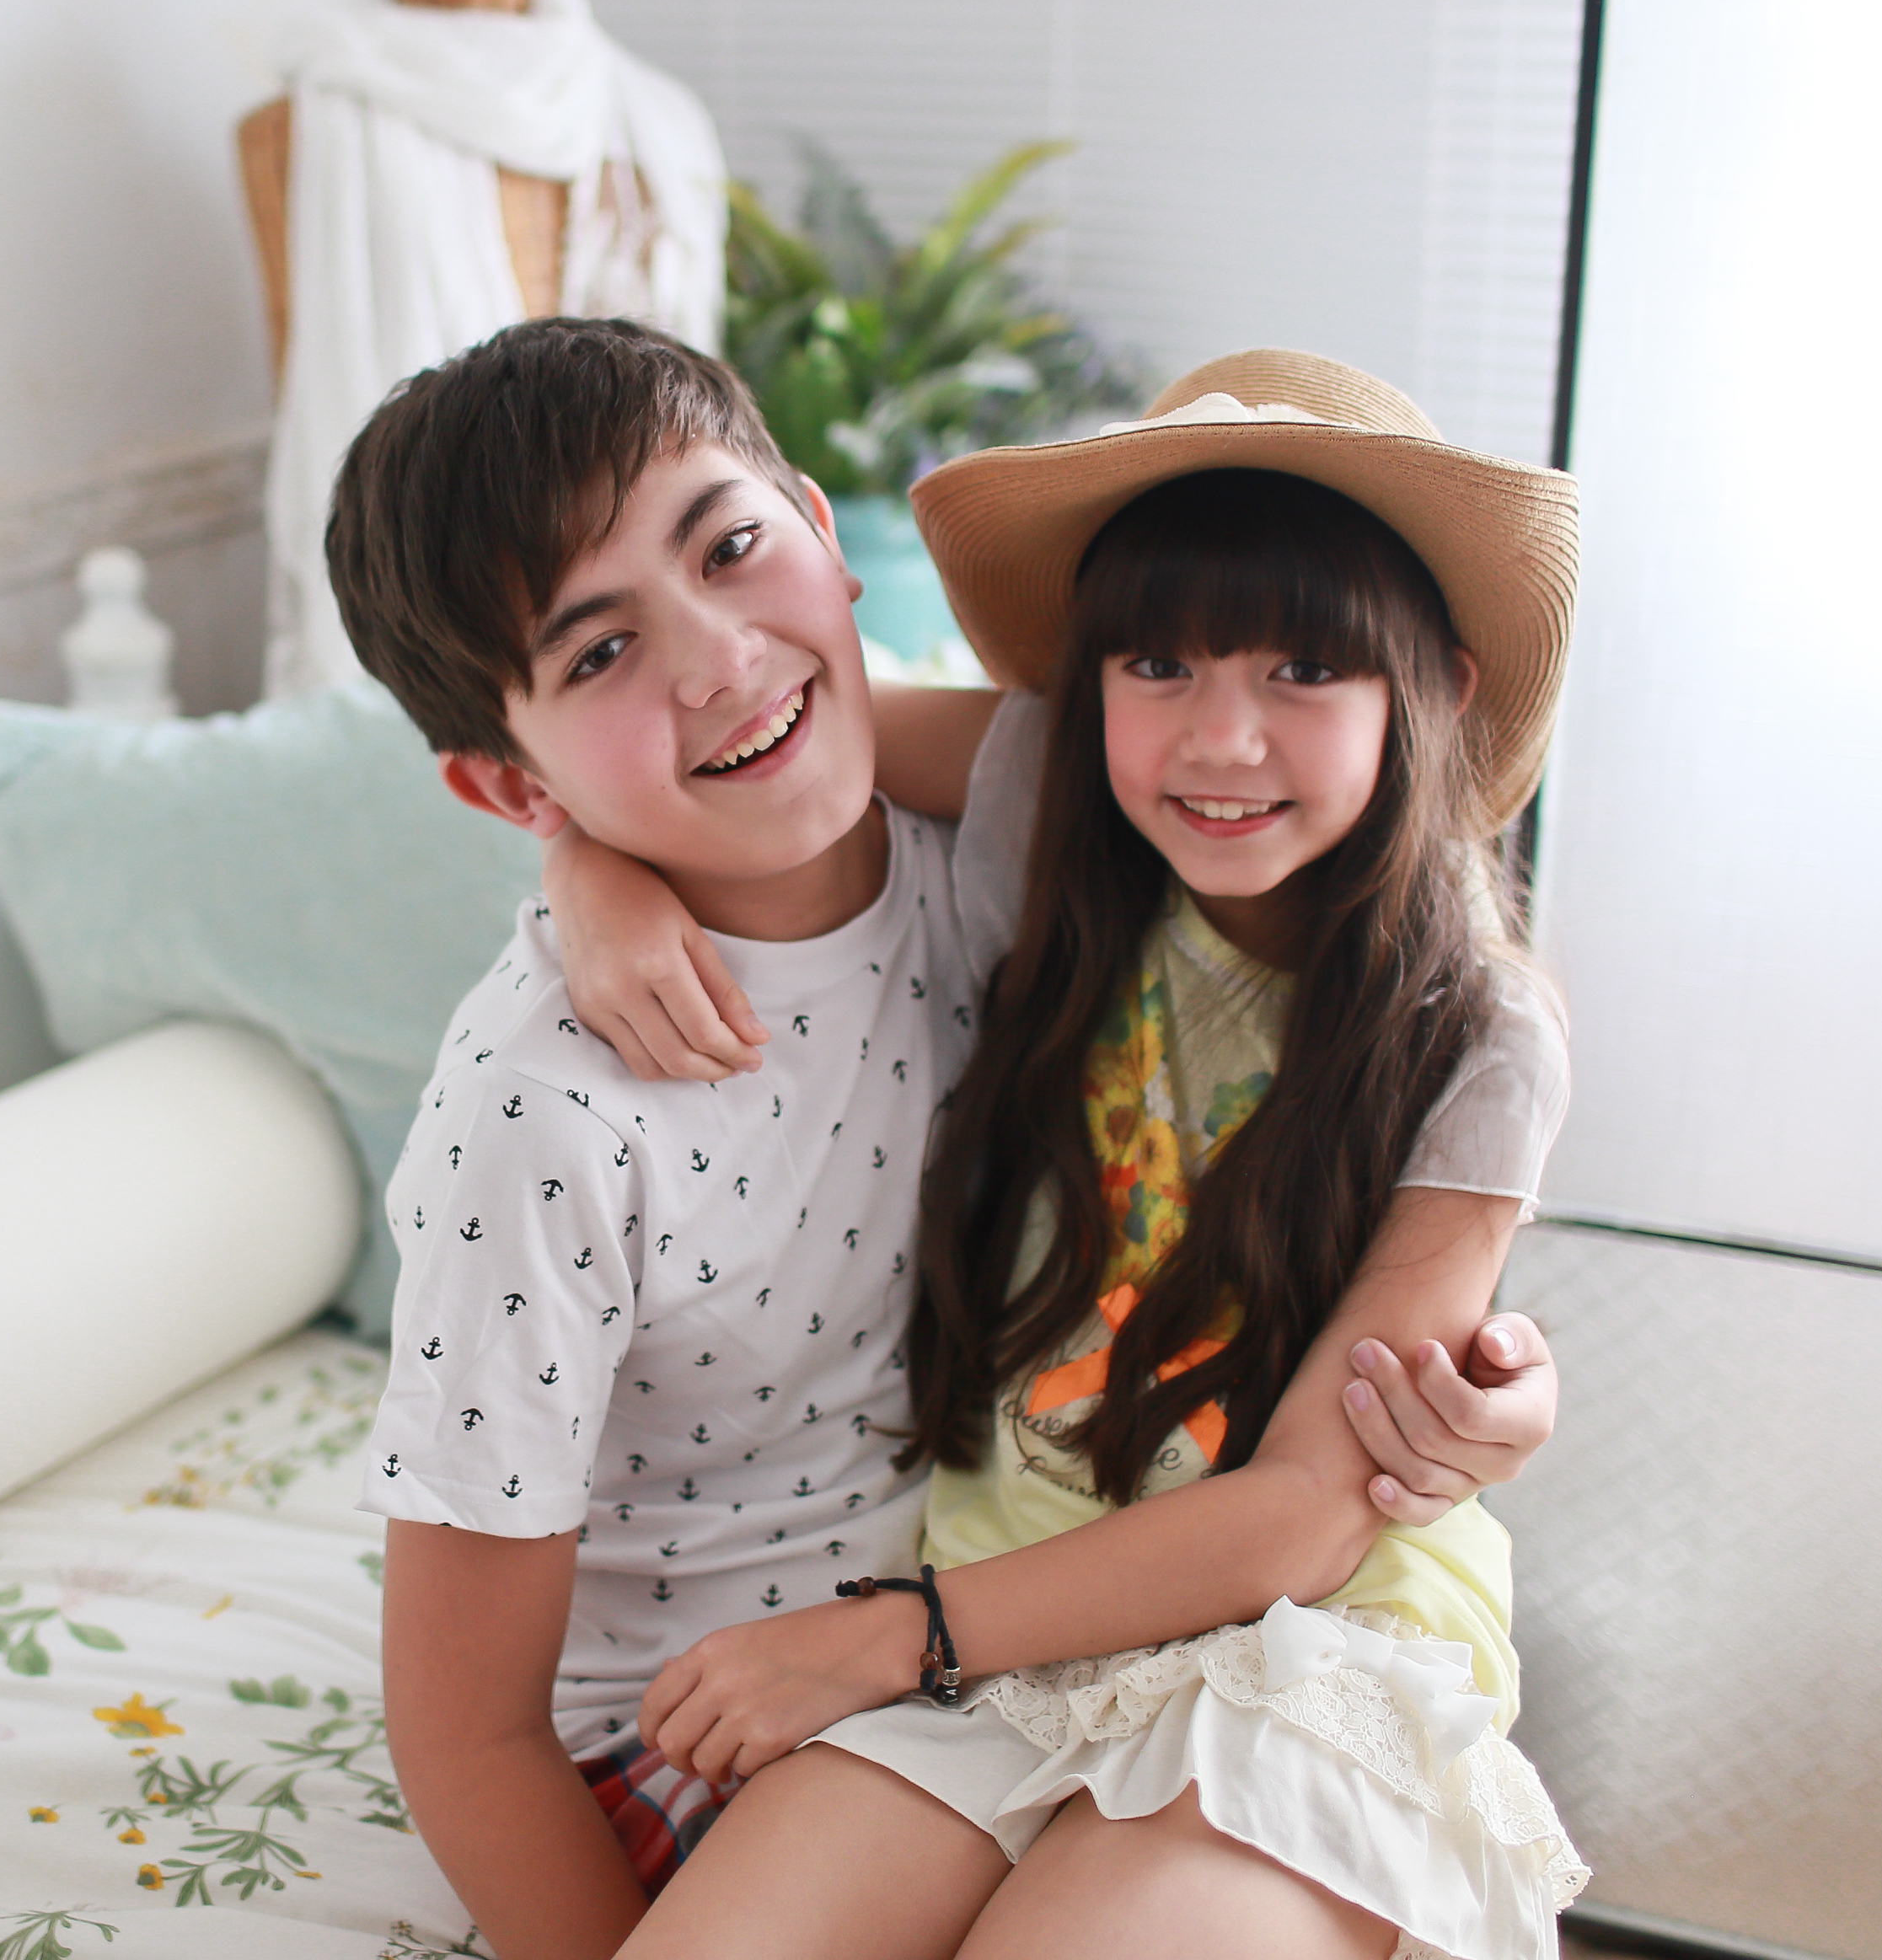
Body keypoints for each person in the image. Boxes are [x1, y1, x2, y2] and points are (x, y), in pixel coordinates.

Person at [328, 321, 1562, 1960]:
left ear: (817, 530)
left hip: (1205, 1632)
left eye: (730, 551)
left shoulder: (1394, 991)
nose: (717, 661)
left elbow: (1319, 1495)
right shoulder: (1032, 827)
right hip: (934, 1664)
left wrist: (1491, 1386)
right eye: (603, 649)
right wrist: (585, 869)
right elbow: (462, 1721)